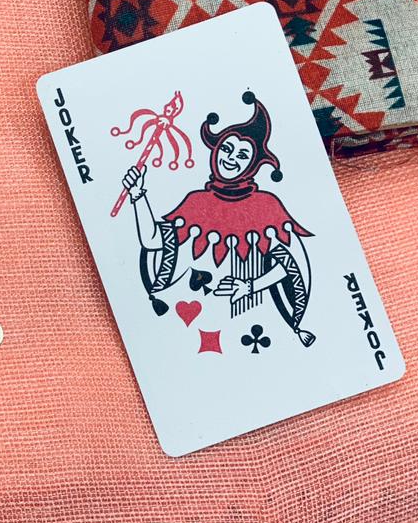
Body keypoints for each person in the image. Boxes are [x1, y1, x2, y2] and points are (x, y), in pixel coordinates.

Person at [123, 91, 315, 345]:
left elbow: (287, 266)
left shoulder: (267, 205)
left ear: (253, 164)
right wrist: (138, 196)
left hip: (255, 315)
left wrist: (249, 287)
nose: (231, 158)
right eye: (226, 148)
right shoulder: (196, 201)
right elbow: (153, 241)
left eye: (242, 155)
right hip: (198, 315)